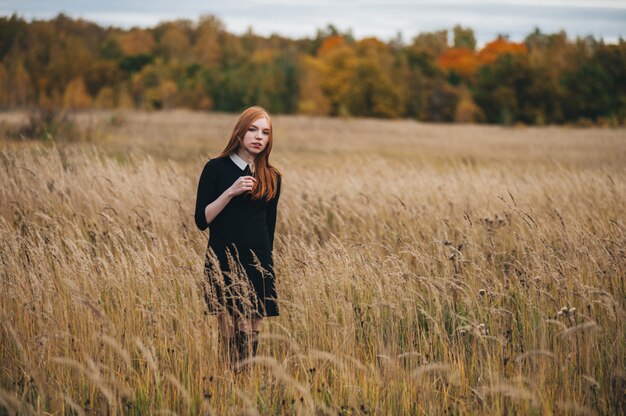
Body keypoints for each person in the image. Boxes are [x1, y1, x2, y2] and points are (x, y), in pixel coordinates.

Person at [194, 106, 281, 368]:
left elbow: (270, 228)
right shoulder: (215, 169)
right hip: (223, 261)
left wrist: (266, 268)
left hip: (258, 263)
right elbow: (202, 220)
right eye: (252, 130)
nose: (258, 137)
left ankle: (247, 384)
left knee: (250, 340)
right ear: (240, 132)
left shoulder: (272, 176)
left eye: (265, 132)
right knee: (230, 338)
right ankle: (229, 384)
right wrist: (230, 191)